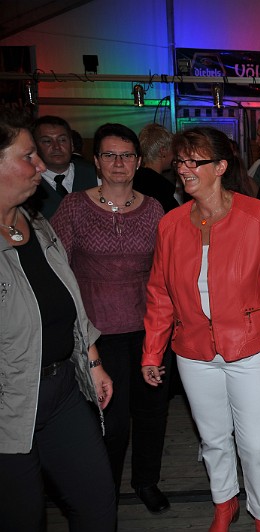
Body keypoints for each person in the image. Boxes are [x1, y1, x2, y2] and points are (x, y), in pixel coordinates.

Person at [141, 126, 260, 532]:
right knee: (213, 439)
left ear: (221, 167)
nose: (184, 169)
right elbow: (159, 294)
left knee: (256, 444)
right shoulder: (171, 224)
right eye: (180, 161)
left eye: (195, 161)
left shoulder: (256, 215)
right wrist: (152, 351)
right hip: (194, 351)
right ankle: (224, 503)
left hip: (252, 347)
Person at [0, 109, 117, 530]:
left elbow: (69, 298)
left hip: (62, 388)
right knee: (23, 518)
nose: (40, 165)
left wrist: (93, 360)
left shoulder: (36, 222)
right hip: (10, 403)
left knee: (97, 506)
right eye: (27, 156)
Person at [51, 123, 170, 513]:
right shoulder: (74, 208)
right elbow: (58, 271)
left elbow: (166, 270)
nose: (119, 163)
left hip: (149, 329)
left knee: (152, 413)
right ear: (96, 161)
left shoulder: (153, 209)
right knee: (111, 423)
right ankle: (105, 492)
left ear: (138, 161)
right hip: (97, 333)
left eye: (126, 155)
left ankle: (146, 481)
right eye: (109, 155)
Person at [32, 115, 98, 218]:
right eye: (47, 141)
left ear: (72, 145)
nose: (56, 147)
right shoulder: (28, 183)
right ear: (34, 147)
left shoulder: (95, 175)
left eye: (62, 140)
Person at [134, 123, 180, 213]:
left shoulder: (133, 179)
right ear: (162, 151)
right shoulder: (161, 189)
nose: (175, 155)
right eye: (173, 149)